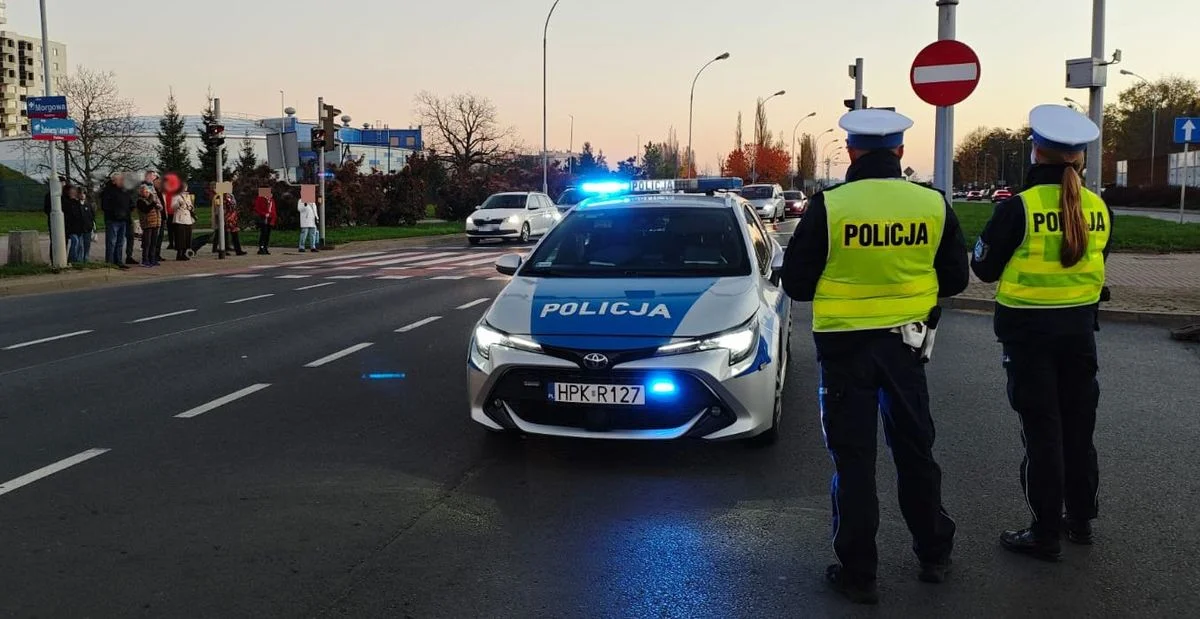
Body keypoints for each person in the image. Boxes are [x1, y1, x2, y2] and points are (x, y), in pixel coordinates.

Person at [781, 108, 969, 604]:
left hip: (844, 351)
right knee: (914, 451)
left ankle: (859, 572)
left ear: (851, 151)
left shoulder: (830, 207)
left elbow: (797, 286)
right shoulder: (931, 204)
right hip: (907, 348)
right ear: (901, 152)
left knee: (854, 460)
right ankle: (934, 553)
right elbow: (955, 280)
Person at [970, 105, 1112, 562]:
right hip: (1079, 334)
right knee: (1078, 429)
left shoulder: (1020, 208)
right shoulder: (1097, 207)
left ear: (1036, 152)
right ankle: (1082, 521)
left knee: (1043, 433)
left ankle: (1045, 531)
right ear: (1078, 159)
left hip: (1029, 336)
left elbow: (984, 268)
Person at [99, 173, 133, 270]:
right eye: (120, 179)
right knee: (112, 242)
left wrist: (130, 208)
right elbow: (105, 206)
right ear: (114, 181)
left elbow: (129, 202)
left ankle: (118, 260)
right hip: (112, 220)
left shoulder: (124, 191)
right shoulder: (108, 191)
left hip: (123, 220)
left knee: (120, 242)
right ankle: (110, 261)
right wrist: (116, 213)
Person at [135, 185, 162, 267]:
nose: (145, 193)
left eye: (147, 191)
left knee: (154, 242)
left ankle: (152, 259)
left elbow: (160, 208)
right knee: (147, 243)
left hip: (156, 222)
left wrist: (158, 205)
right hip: (147, 224)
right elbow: (146, 210)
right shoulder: (140, 201)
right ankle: (145, 260)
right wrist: (153, 204)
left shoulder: (154, 198)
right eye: (143, 192)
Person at [61, 184, 86, 263]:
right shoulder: (65, 202)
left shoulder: (76, 202)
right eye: (72, 191)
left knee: (79, 244)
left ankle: (78, 260)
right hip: (70, 227)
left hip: (78, 227)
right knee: (75, 242)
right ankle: (72, 260)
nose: (74, 192)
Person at [172, 190, 196, 261]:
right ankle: (179, 254)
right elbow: (173, 206)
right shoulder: (176, 196)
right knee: (180, 238)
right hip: (180, 219)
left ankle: (184, 253)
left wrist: (191, 207)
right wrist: (179, 204)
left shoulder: (187, 196)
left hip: (188, 219)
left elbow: (191, 206)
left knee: (187, 237)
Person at [253, 189, 278, 255]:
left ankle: (265, 247)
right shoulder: (260, 199)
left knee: (267, 234)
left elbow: (274, 210)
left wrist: (273, 219)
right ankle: (261, 248)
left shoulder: (271, 200)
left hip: (270, 218)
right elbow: (257, 209)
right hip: (263, 218)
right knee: (263, 233)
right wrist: (264, 214)